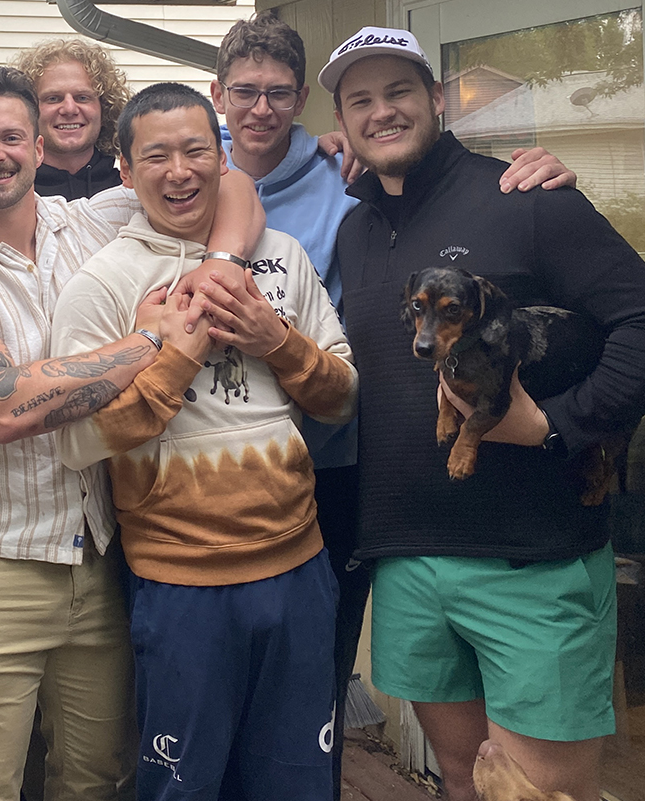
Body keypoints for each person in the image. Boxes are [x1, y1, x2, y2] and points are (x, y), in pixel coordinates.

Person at [206, 15, 579, 796]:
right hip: (216, 481)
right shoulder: (191, 175)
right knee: (208, 684)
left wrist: (563, 428)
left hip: (341, 476)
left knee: (316, 678)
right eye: (245, 92)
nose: (262, 108)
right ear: (219, 95)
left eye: (279, 93)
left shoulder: (351, 190)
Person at [0, 65, 262, 801]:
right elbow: (2, 407)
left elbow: (234, 182)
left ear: (37, 146)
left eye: (10, 136)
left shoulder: (91, 220)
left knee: (97, 779)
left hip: (100, 556)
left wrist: (220, 267)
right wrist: (147, 343)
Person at [321, 27, 645, 801]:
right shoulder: (355, 230)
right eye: (360, 100)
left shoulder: (527, 200)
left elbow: (638, 318)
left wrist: (559, 425)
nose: (381, 111)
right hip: (407, 558)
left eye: (399, 91)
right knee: (466, 784)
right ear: (343, 122)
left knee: (538, 792)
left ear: (436, 98)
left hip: (533, 560)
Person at [52, 81, 356, 800]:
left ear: (222, 160)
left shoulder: (281, 255)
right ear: (125, 170)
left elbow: (343, 398)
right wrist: (174, 360)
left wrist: (275, 340)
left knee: (298, 782)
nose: (179, 171)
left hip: (300, 567)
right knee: (183, 787)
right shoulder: (104, 282)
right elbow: (77, 441)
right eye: (156, 156)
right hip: (179, 582)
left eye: (195, 151)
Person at [12, 38, 131, 200]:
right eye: (53, 98)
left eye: (82, 97)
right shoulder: (8, 198)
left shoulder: (135, 194)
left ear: (105, 109)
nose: (69, 109)